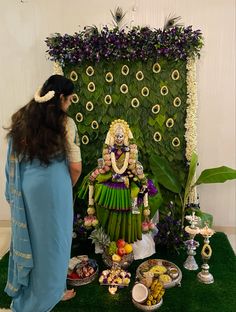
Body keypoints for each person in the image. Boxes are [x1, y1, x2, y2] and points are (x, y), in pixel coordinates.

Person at [4, 75, 82, 312]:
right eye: (69, 100)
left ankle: (29, 295)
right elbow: (76, 167)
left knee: (33, 242)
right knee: (55, 244)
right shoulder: (66, 124)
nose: (68, 105)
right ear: (60, 98)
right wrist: (65, 188)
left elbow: (13, 160)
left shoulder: (22, 119)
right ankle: (54, 291)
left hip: (28, 190)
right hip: (55, 190)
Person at [79, 119, 158, 244]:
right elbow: (107, 168)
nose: (119, 139)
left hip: (129, 177)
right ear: (112, 137)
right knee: (97, 184)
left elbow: (133, 167)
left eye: (121, 136)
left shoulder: (130, 151)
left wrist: (133, 174)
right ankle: (110, 236)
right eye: (117, 136)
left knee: (138, 190)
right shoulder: (110, 151)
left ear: (125, 136)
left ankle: (131, 231)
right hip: (112, 177)